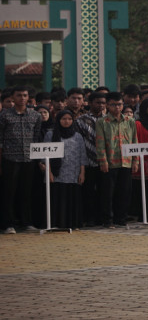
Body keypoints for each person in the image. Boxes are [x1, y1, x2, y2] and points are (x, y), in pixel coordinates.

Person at [0, 86, 44, 233]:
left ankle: (27, 222)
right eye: (19, 95)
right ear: (12, 97)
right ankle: (8, 224)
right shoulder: (4, 115)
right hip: (10, 158)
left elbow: (37, 138)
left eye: (25, 95)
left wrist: (39, 160)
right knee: (9, 192)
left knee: (26, 192)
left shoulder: (35, 116)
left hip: (29, 159)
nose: (22, 98)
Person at [95, 92, 138, 228]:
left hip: (126, 161)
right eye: (113, 105)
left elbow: (134, 141)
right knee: (108, 193)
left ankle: (121, 218)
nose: (117, 107)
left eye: (119, 104)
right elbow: (100, 143)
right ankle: (108, 220)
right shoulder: (102, 122)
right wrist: (103, 161)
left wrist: (135, 160)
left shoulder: (130, 121)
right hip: (110, 161)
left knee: (124, 191)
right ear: (107, 105)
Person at [42, 110, 88, 229]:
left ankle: (72, 224)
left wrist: (82, 173)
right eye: (63, 119)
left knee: (72, 198)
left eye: (69, 119)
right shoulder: (50, 135)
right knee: (57, 198)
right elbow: (45, 156)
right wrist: (49, 172)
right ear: (58, 120)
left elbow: (82, 155)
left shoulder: (77, 136)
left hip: (73, 173)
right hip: (56, 173)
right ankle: (56, 224)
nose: (66, 121)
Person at [75, 91, 106, 227]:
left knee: (104, 191)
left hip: (106, 162)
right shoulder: (81, 120)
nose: (101, 105)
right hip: (88, 161)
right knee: (89, 192)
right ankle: (90, 218)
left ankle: (102, 218)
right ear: (90, 103)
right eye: (98, 102)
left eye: (103, 103)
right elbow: (78, 142)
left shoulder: (108, 119)